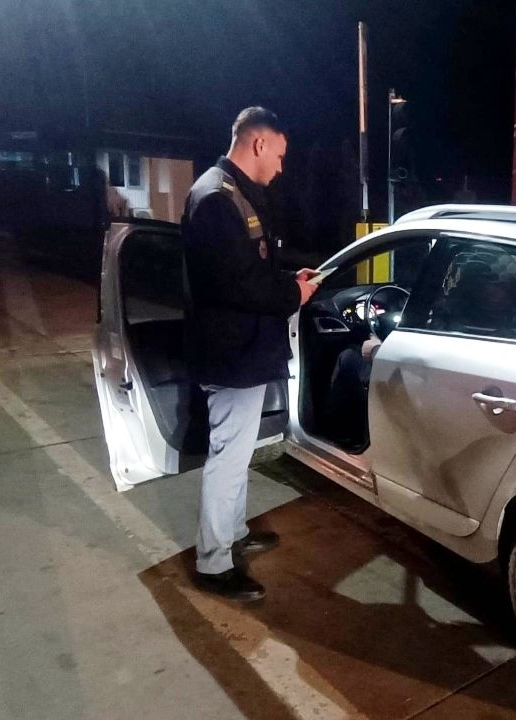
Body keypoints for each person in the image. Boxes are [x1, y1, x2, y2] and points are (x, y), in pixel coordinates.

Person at [182, 107, 318, 601]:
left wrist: (287, 280)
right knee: (228, 457)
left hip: (243, 352)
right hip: (232, 356)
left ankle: (234, 534)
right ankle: (214, 563)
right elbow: (234, 285)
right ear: (258, 144)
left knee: (237, 455)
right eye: (279, 156)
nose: (280, 168)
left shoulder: (232, 195)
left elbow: (248, 270)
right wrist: (293, 295)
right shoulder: (217, 199)